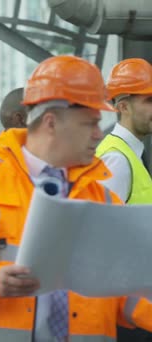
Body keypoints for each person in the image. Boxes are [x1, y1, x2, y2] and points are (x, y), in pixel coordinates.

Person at [0, 55, 152, 341]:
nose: (96, 135)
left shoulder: (102, 198)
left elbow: (125, 289)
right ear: (51, 122)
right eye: (88, 124)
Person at [96, 58, 152, 341]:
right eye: (149, 100)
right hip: (126, 303)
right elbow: (98, 235)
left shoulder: (130, 154)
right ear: (123, 107)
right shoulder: (116, 159)